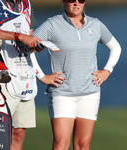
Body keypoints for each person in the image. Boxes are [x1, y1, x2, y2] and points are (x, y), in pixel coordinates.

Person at [33, 0, 121, 150]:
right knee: (61, 144)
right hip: (62, 93)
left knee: (83, 145)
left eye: (81, 0)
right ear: (64, 1)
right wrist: (42, 76)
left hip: (90, 93)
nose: (76, 3)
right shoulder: (52, 24)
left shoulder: (96, 24)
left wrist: (107, 71)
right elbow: (26, 48)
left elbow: (115, 47)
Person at [0, 0, 63, 150]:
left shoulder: (27, 4)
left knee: (18, 133)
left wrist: (41, 74)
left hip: (25, 78)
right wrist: (19, 36)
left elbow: (27, 48)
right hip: (1, 76)